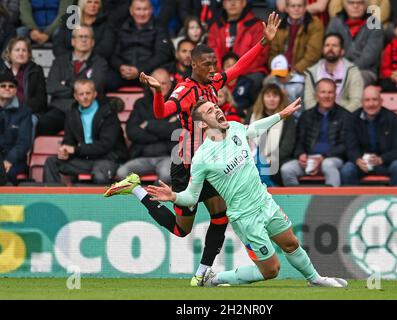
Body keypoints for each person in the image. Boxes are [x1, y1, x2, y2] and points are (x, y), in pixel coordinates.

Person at [106, 12, 282, 287]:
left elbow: (238, 69)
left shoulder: (213, 82)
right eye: (207, 64)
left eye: (215, 62)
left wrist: (263, 42)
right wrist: (156, 92)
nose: (213, 68)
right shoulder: (184, 90)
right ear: (193, 64)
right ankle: (136, 188)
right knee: (180, 230)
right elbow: (163, 110)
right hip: (188, 164)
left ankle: (202, 273)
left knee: (220, 216)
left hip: (212, 163)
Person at [141, 98, 348, 288]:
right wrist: (174, 197)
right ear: (203, 124)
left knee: (291, 242)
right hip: (245, 217)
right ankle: (215, 279)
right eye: (210, 111)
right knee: (271, 270)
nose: (217, 110)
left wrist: (281, 115)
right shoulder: (201, 159)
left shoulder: (235, 128)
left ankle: (315, 279)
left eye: (216, 107)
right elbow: (192, 197)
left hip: (264, 202)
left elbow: (254, 129)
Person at [43, 79, 128, 185]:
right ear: (75, 96)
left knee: (100, 175)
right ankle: (54, 199)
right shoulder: (72, 112)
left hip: (107, 159)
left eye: (88, 93)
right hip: (84, 159)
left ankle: (99, 202)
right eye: (81, 94)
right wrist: (65, 150)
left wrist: (75, 149)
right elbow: (69, 139)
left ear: (95, 94)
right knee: (51, 162)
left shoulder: (108, 112)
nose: (85, 97)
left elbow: (105, 145)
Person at [37, 25, 109, 136]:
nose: (84, 40)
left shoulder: (100, 63)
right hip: (60, 109)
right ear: (73, 41)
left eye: (87, 37)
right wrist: (78, 88)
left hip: (86, 111)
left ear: (93, 42)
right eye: (80, 37)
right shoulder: (59, 61)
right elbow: (51, 86)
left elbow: (94, 87)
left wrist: (66, 84)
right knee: (42, 124)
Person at [281, 79, 349, 187]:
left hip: (332, 158)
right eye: (323, 92)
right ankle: (297, 201)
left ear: (335, 94)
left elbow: (345, 145)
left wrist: (323, 157)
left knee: (328, 164)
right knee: (287, 169)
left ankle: (332, 202)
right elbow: (299, 141)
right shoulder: (306, 116)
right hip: (309, 160)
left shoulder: (345, 116)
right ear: (316, 95)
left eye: (330, 92)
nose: (327, 96)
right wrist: (301, 155)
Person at [116, 69, 180, 183]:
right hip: (142, 156)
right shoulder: (140, 103)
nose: (160, 86)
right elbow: (132, 132)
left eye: (164, 83)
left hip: (168, 156)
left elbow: (176, 132)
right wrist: (164, 130)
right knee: (122, 173)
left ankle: (153, 198)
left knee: (166, 176)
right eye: (156, 83)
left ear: (171, 85)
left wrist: (148, 125)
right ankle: (140, 197)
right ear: (150, 84)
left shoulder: (177, 104)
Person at [341, 86, 397, 186]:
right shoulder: (352, 119)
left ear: (381, 101)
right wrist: (357, 159)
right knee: (347, 170)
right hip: (361, 163)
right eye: (367, 100)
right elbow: (350, 147)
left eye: (375, 100)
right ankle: (354, 201)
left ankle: (395, 199)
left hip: (385, 162)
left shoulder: (393, 118)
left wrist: (381, 159)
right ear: (362, 102)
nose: (371, 104)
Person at [108, 0, 174, 91]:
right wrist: (120, 66)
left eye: (145, 9)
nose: (142, 13)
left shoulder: (160, 27)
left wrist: (139, 70)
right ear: (131, 11)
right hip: (122, 72)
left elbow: (162, 55)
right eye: (138, 9)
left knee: (157, 82)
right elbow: (111, 52)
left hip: (148, 72)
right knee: (105, 80)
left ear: (151, 10)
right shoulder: (120, 27)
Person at [208, 0, 269, 95]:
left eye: (236, 0)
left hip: (248, 72)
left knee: (255, 79)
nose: (232, 3)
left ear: (244, 3)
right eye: (228, 1)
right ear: (223, 4)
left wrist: (237, 71)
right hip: (222, 72)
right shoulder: (215, 27)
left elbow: (260, 56)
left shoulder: (257, 26)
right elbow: (212, 54)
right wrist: (224, 73)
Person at [246, 83, 297, 186]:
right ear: (262, 98)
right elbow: (246, 137)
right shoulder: (253, 114)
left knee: (269, 169)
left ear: (280, 99)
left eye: (275, 96)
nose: (271, 99)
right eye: (268, 96)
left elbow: (287, 146)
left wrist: (270, 160)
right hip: (252, 158)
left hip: (277, 159)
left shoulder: (288, 118)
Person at [326, 0, 384, 86]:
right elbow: (329, 50)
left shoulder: (375, 24)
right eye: (351, 3)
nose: (355, 6)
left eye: (360, 3)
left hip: (365, 70)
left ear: (366, 5)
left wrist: (346, 71)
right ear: (344, 5)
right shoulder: (335, 22)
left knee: (353, 80)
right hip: (336, 69)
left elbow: (369, 57)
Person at [304, 32, 363, 111]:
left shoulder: (353, 72)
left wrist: (341, 116)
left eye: (334, 45)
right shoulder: (311, 72)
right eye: (327, 45)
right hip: (318, 117)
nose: (330, 48)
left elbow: (356, 101)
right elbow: (309, 101)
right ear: (322, 50)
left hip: (344, 116)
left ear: (342, 51)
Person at [0, 36, 47, 126]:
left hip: (28, 112)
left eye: (24, 50)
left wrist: (18, 108)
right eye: (17, 50)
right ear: (9, 53)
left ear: (29, 54)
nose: (21, 53)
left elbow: (41, 100)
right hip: (3, 110)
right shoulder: (2, 71)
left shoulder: (36, 70)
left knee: (30, 121)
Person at [269, 0, 324, 75]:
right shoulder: (279, 26)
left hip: (302, 73)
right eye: (293, 6)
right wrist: (277, 70)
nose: (296, 9)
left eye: (299, 6)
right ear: (287, 9)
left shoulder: (315, 25)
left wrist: (293, 72)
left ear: (305, 8)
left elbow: (313, 55)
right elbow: (272, 53)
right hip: (278, 71)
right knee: (267, 83)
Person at [0, 72, 32, 185]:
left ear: (15, 90)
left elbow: (24, 142)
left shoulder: (25, 111)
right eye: (3, 85)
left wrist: (9, 160)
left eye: (11, 86)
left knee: (6, 177)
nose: (7, 88)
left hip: (15, 160)